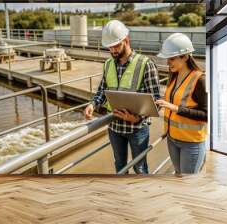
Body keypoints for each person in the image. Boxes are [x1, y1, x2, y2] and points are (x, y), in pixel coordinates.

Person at [84, 20, 161, 174]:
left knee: (139, 168)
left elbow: (156, 102)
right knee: (120, 166)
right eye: (109, 47)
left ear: (126, 40)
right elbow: (102, 91)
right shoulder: (108, 64)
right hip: (115, 127)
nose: (112, 50)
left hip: (137, 128)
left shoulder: (146, 64)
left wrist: (137, 119)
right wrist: (93, 104)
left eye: (116, 46)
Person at [155, 33, 207, 176]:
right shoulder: (174, 75)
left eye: (171, 59)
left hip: (191, 144)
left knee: (187, 185)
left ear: (185, 56)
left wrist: (176, 108)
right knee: (178, 177)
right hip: (172, 140)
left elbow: (207, 115)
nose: (168, 63)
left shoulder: (200, 80)